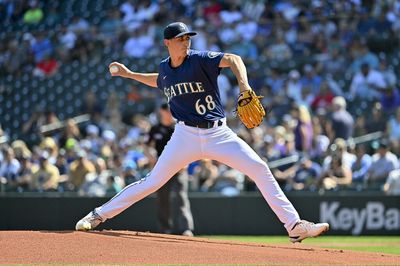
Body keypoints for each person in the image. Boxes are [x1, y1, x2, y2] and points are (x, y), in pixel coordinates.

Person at [76, 22, 329, 243]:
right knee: (152, 182)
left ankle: (294, 226)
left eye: (187, 38)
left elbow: (233, 59)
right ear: (167, 43)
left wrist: (244, 85)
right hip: (184, 136)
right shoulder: (165, 69)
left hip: (219, 134)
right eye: (180, 39)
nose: (185, 42)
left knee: (260, 168)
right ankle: (97, 215)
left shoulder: (200, 59)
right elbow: (159, 80)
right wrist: (130, 75)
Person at [146, 103, 194, 236]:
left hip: (179, 168)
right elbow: (146, 146)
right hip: (163, 168)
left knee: (181, 197)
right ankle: (164, 228)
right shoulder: (155, 129)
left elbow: (188, 146)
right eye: (166, 109)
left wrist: (185, 163)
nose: (169, 112)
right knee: (162, 198)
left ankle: (186, 229)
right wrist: (151, 158)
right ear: (161, 111)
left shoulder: (178, 127)